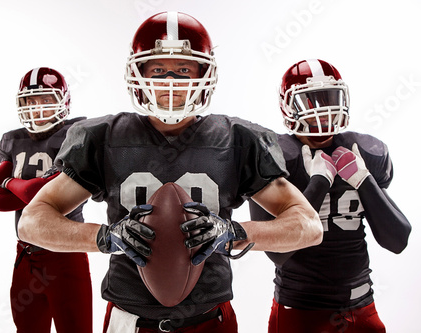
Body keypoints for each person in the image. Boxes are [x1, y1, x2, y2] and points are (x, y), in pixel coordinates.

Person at [17, 12, 323, 333]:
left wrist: (235, 233)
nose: (171, 81)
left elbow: (308, 225)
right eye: (159, 69)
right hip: (129, 318)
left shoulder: (238, 139)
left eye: (183, 69)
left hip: (211, 318)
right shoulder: (103, 137)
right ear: (137, 73)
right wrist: (105, 238)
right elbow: (32, 222)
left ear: (204, 73)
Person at [249, 59, 412, 333]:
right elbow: (277, 253)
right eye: (310, 103)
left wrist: (363, 179)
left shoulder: (362, 152)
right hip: (300, 312)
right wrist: (319, 183)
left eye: (328, 99)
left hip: (362, 307)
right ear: (289, 107)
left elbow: (398, 240)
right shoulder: (276, 157)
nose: (321, 112)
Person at [0, 67, 92, 333]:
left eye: (46, 100)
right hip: (26, 255)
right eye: (31, 101)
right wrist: (25, 187)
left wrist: (9, 183)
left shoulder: (75, 136)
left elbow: (35, 194)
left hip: (66, 255)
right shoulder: (13, 140)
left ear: (63, 101)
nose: (38, 108)